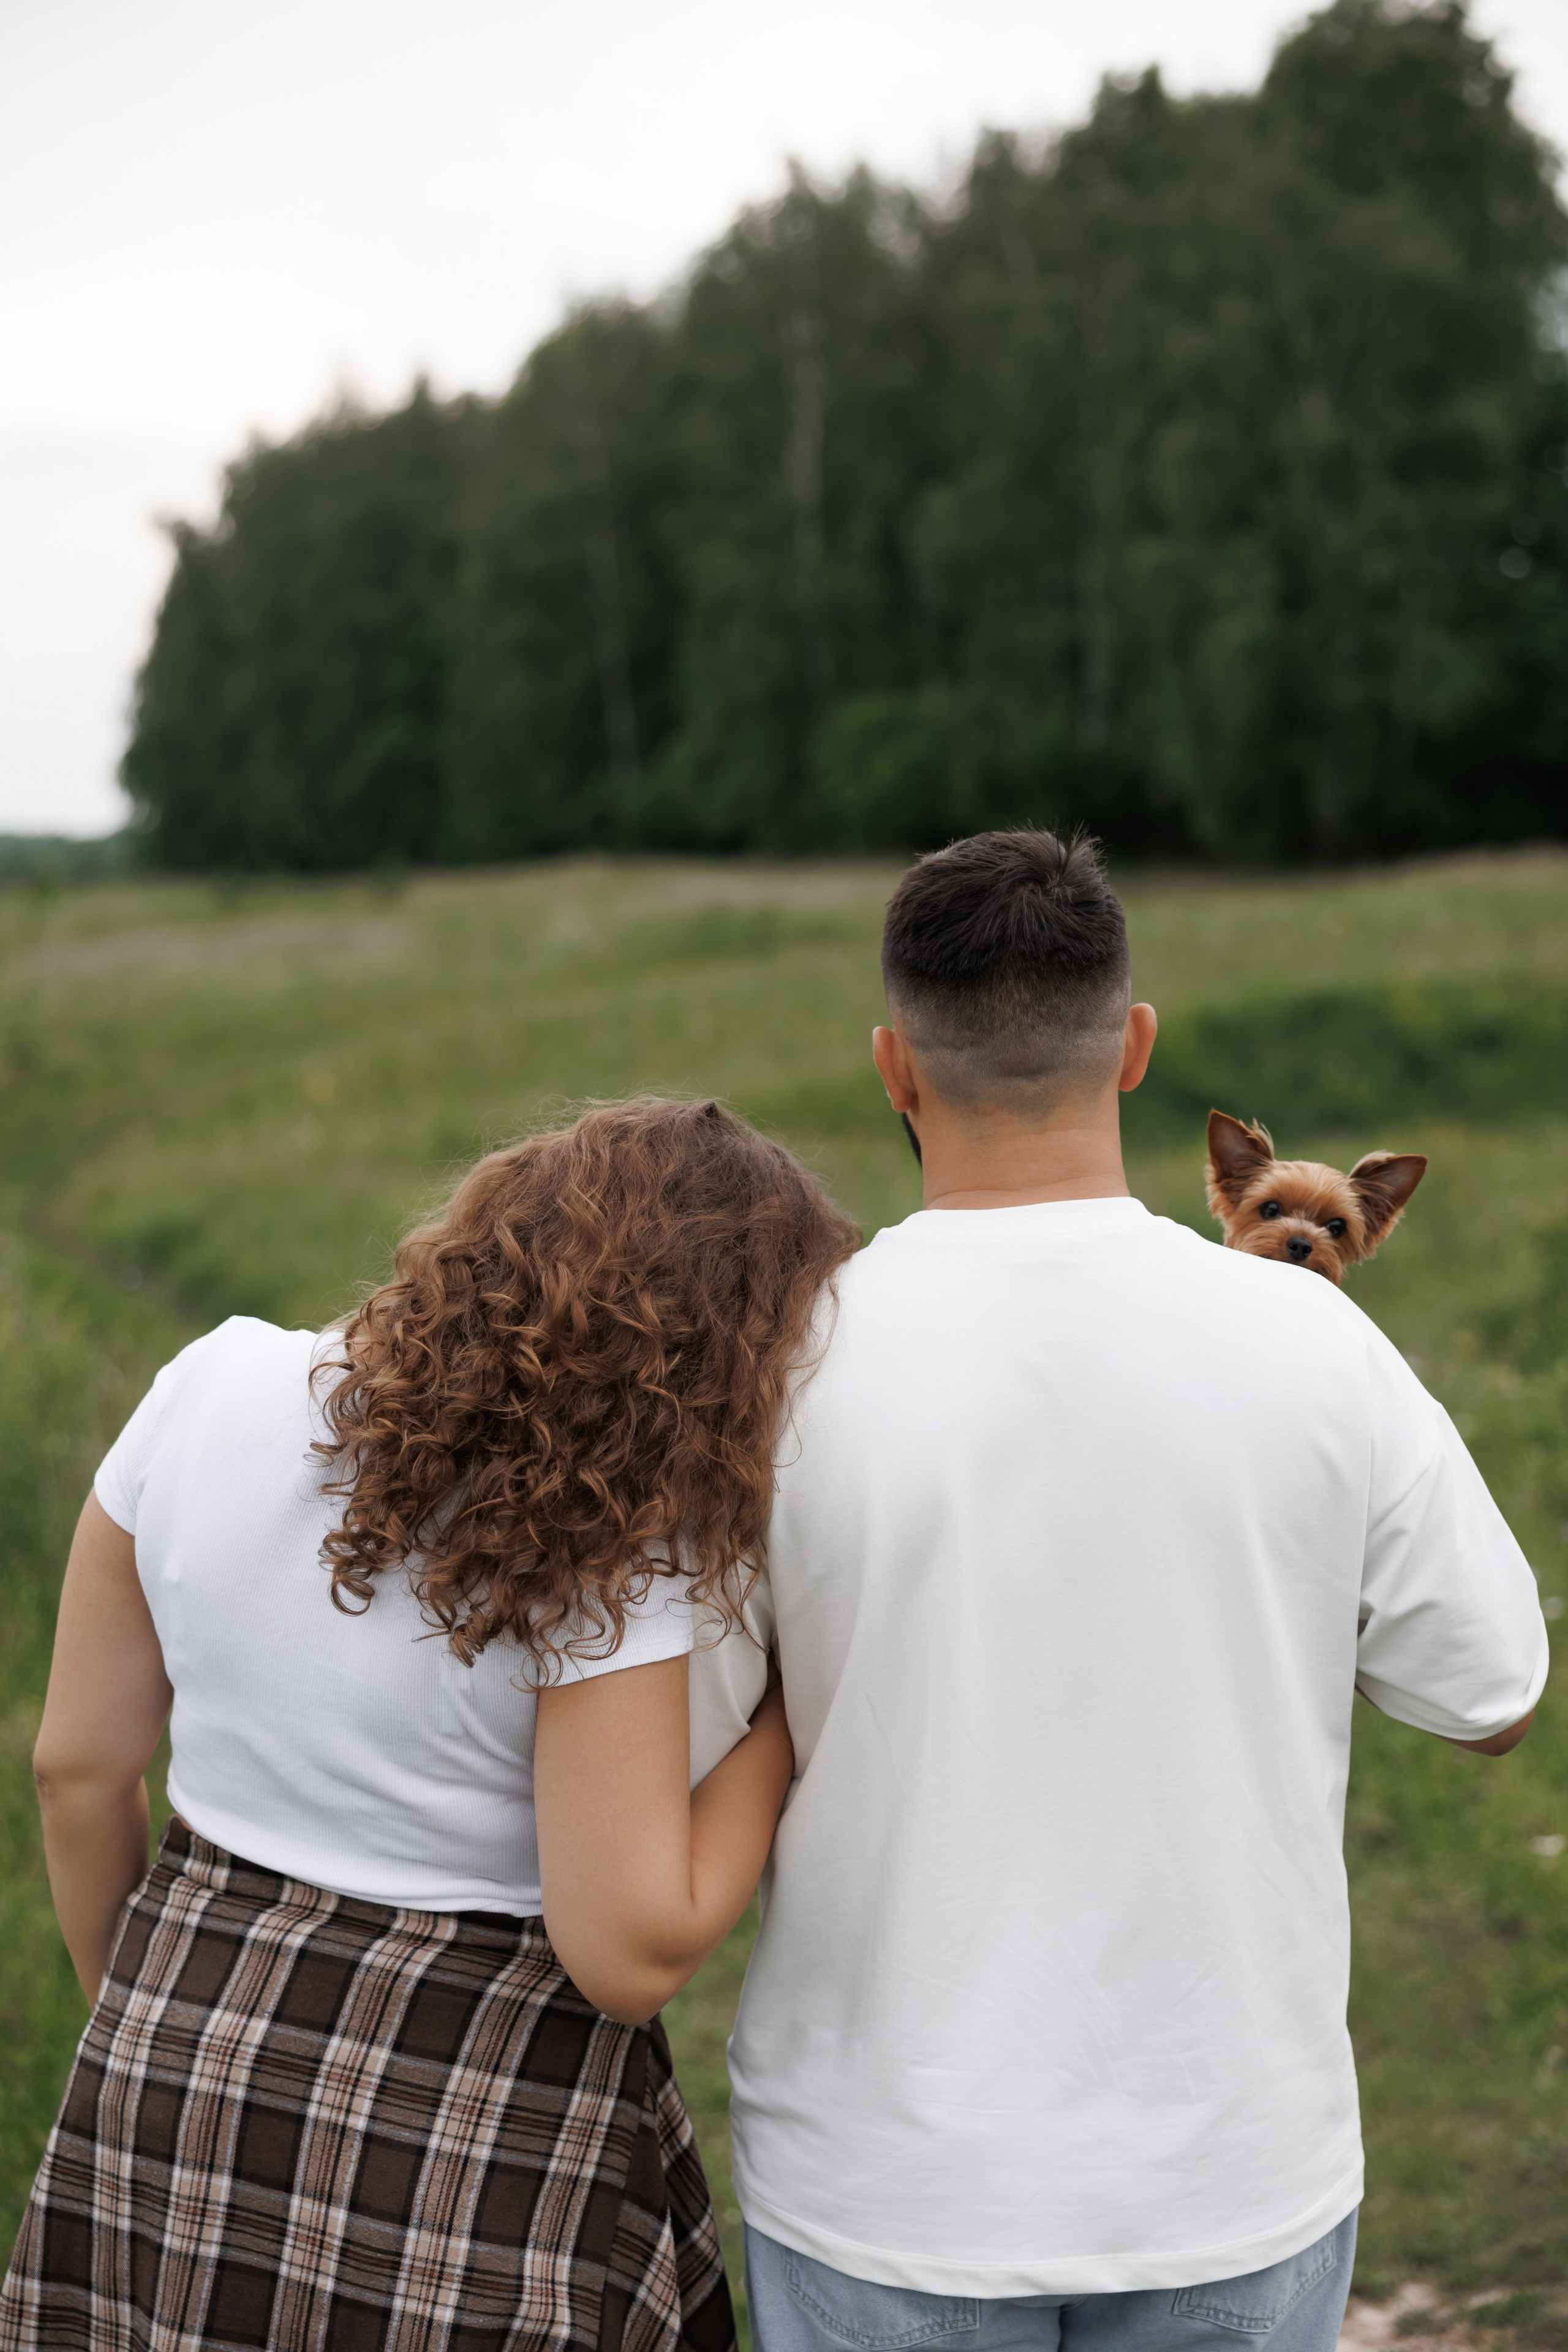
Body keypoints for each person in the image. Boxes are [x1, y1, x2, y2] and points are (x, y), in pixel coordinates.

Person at [712, 831, 1547, 2352]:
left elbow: (686, 1741)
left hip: (888, 2179)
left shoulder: (783, 1358)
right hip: (1227, 2171)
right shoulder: (1319, 1346)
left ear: (893, 1069)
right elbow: (1490, 1696)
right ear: (1137, 1050)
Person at [1, 1097, 859, 2352]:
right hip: (465, 2102)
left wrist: (139, 2016)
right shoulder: (615, 1552)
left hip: (176, 2029)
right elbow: (631, 1949)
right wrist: (788, 1712)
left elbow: (77, 1769)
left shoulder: (212, 1383)